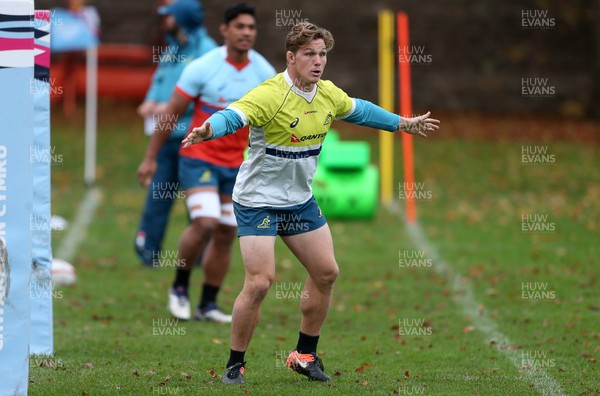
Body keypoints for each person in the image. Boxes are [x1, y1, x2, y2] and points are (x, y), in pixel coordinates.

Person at [181, 22, 440, 383]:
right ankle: (234, 364)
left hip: (299, 201)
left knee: (327, 272)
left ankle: (304, 355)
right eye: (309, 54)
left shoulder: (327, 93)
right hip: (257, 202)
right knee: (259, 283)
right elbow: (234, 114)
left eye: (322, 55)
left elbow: (360, 109)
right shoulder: (270, 94)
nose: (318, 62)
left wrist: (401, 123)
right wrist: (210, 129)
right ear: (291, 57)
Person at [137, 3, 276, 323]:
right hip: (199, 156)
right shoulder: (203, 66)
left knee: (227, 230)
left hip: (237, 163)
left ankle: (208, 304)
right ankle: (180, 289)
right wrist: (150, 158)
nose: (246, 33)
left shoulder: (264, 73)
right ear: (224, 30)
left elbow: (273, 121)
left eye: (251, 28)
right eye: (239, 27)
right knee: (205, 222)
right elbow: (171, 113)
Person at [135, 0, 217, 266]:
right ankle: (149, 250)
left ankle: (198, 257)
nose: (164, 20)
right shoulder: (171, 50)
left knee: (198, 201)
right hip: (167, 138)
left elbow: (211, 98)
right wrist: (150, 102)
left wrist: (165, 107)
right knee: (159, 194)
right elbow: (159, 81)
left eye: (169, 15)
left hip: (195, 141)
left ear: (181, 18)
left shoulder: (209, 52)